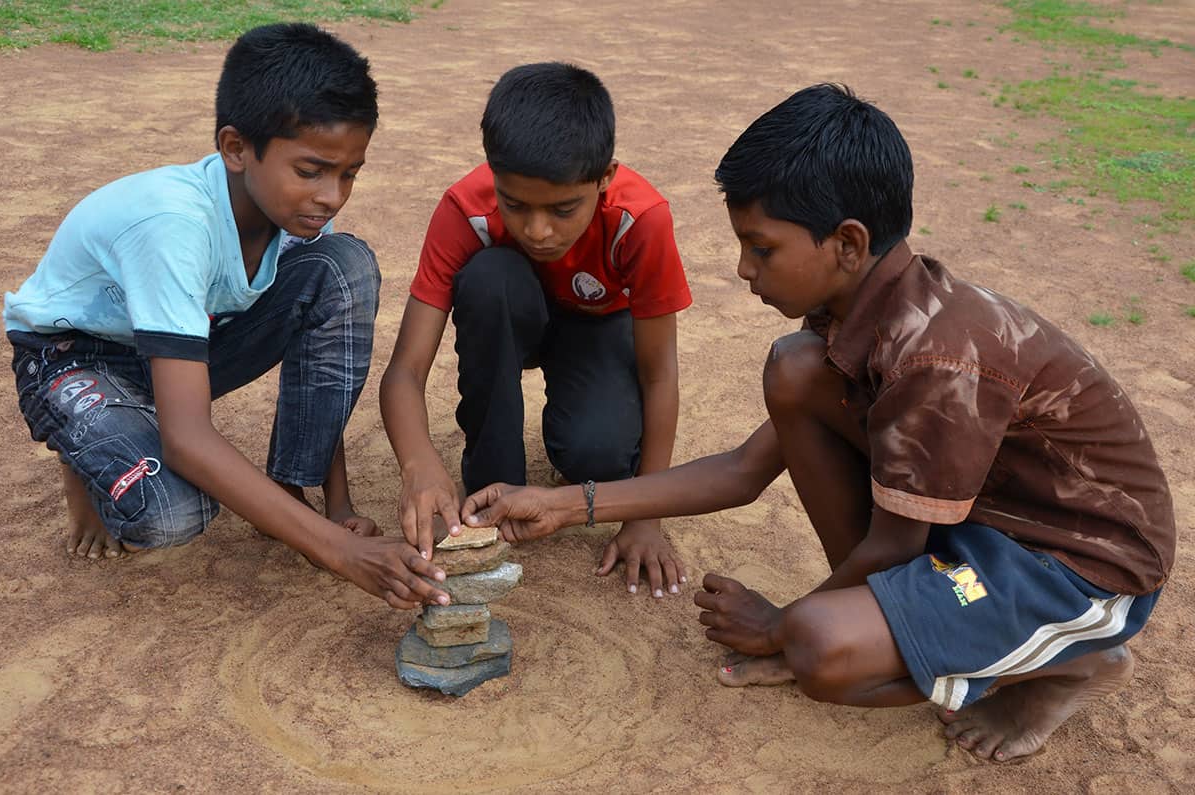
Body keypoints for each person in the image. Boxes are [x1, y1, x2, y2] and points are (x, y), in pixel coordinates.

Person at [459, 84, 1175, 761]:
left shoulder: (937, 356)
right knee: (795, 369)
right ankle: (888, 622)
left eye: (761, 247)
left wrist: (782, 627)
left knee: (822, 651)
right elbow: (746, 470)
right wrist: (564, 505)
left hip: (1075, 565)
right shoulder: (862, 312)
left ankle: (1077, 658)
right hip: (990, 521)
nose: (743, 268)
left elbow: (896, 544)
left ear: (849, 243)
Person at [4, 23, 452, 610]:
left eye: (349, 173)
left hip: (177, 348)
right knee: (168, 513)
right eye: (312, 170)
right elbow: (187, 439)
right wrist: (336, 552)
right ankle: (85, 446)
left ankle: (287, 488)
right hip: (71, 357)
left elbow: (322, 365)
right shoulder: (173, 226)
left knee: (343, 267)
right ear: (236, 148)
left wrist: (336, 508)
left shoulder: (297, 217)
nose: (333, 195)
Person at [380, 62, 693, 597]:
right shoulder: (466, 210)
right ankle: (493, 472)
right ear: (493, 176)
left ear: (605, 177)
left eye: (564, 208)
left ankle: (582, 440)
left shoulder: (639, 221)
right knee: (489, 278)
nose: (538, 230)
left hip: (597, 325)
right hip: (511, 312)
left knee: (600, 459)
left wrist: (646, 515)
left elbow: (659, 373)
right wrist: (419, 464)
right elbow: (404, 371)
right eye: (515, 204)